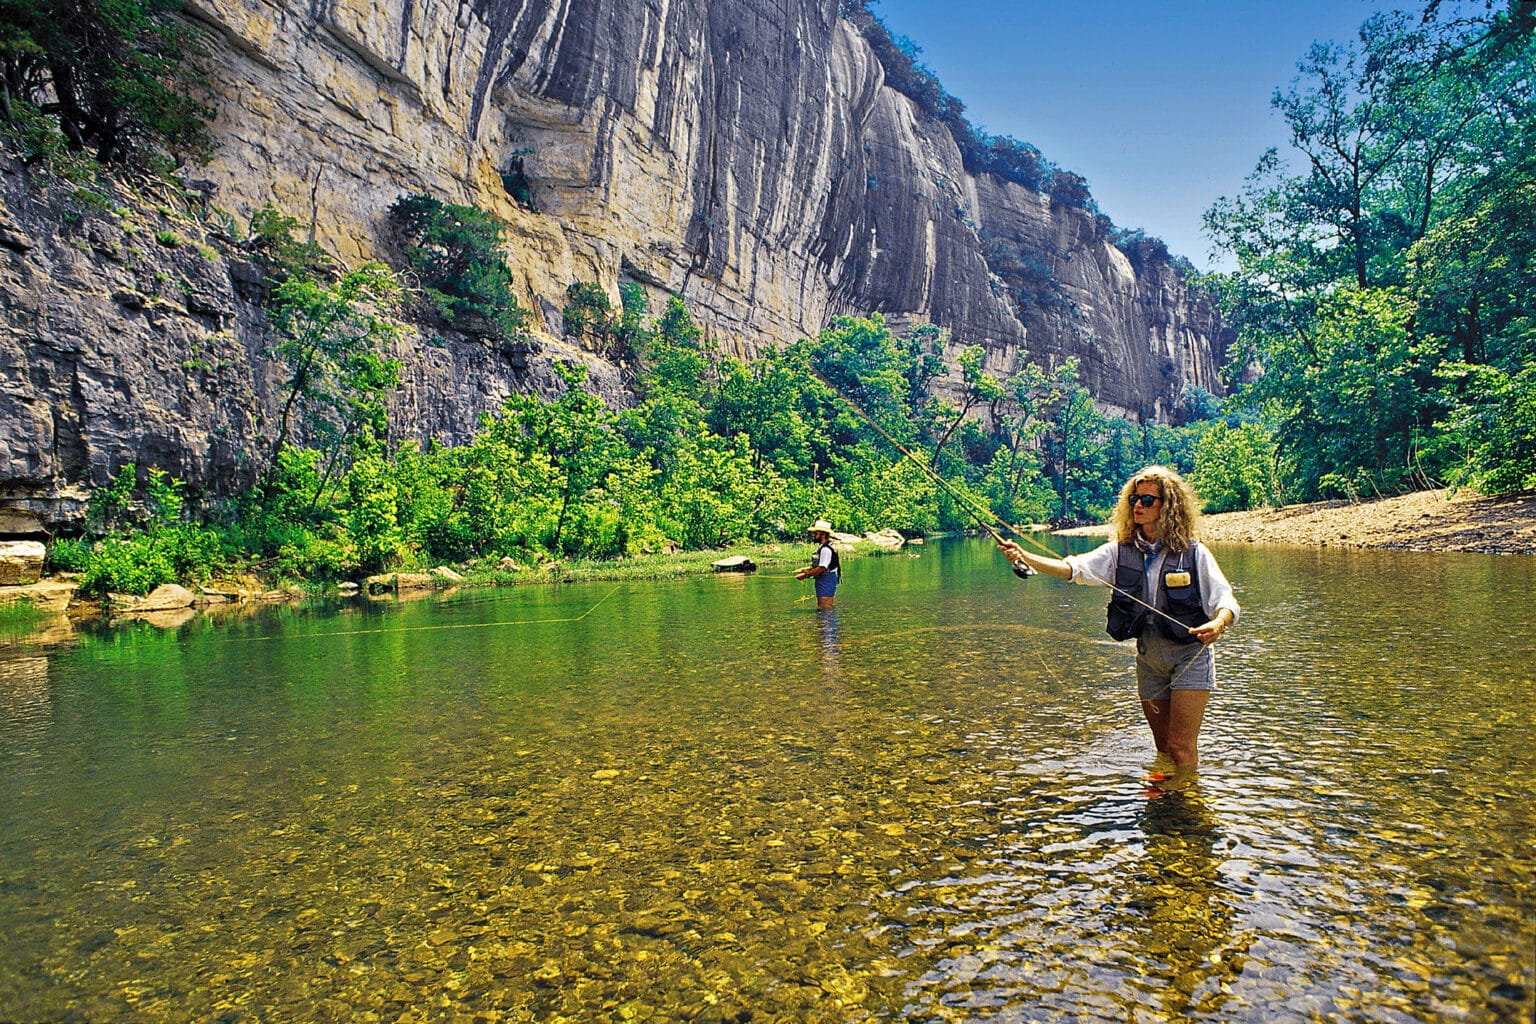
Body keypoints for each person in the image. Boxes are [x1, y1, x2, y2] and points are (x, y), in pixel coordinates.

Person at [995, 466, 1240, 790]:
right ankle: (1163, 794)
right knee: (1164, 747)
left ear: (1168, 505)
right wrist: (1025, 556)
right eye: (1134, 498)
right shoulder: (1119, 551)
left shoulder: (1193, 554)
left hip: (1189, 657)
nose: (1138, 505)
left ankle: (1186, 806)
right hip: (1149, 659)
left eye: (1147, 500)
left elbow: (1226, 601)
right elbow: (1073, 569)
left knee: (1181, 748)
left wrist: (1218, 624)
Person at [795, 519, 841, 610]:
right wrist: (805, 569)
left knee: (825, 607)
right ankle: (824, 623)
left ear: (823, 535)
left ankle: (826, 623)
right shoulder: (823, 547)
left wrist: (806, 574)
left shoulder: (825, 549)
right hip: (825, 579)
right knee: (824, 607)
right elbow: (819, 565)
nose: (813, 536)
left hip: (827, 579)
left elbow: (822, 568)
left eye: (815, 533)